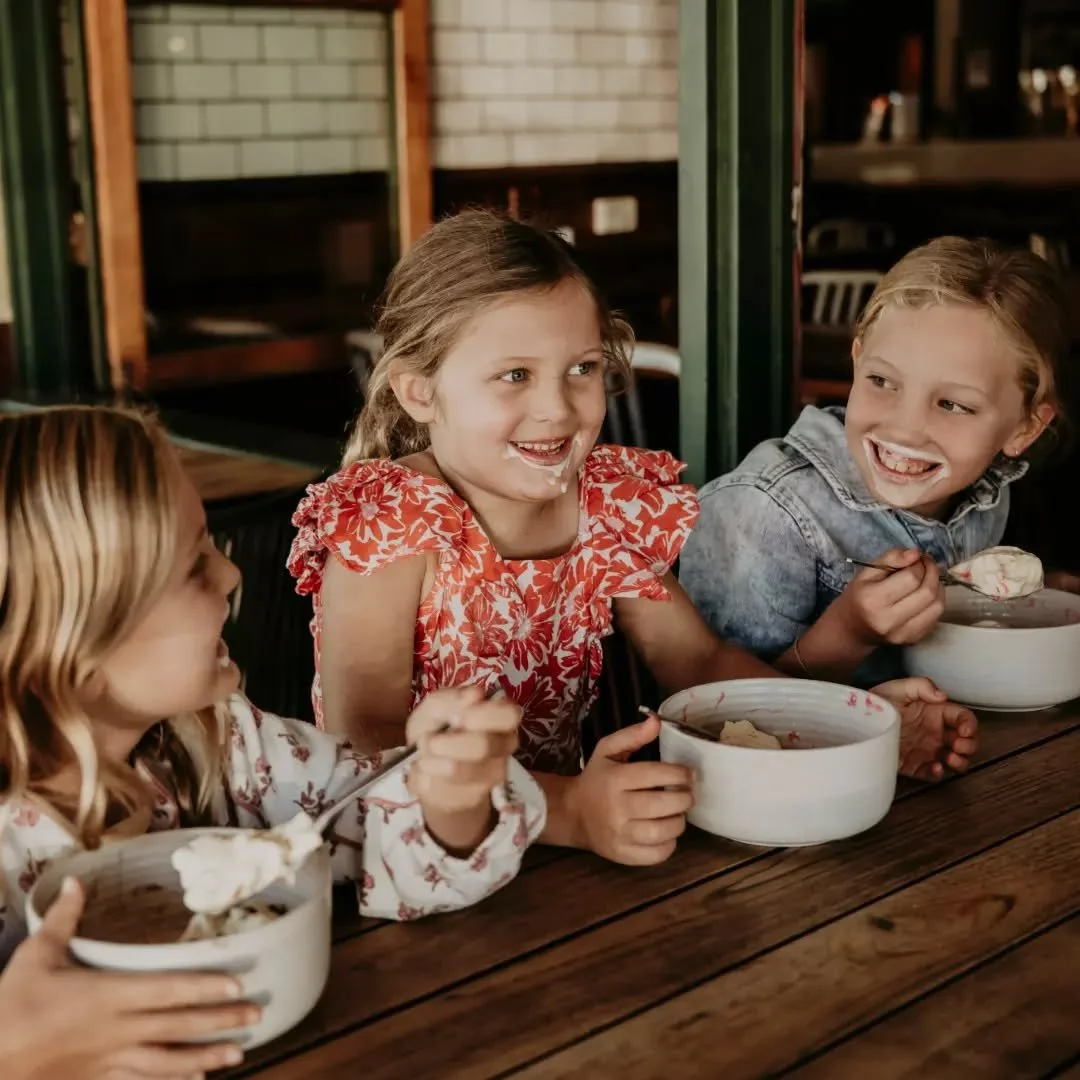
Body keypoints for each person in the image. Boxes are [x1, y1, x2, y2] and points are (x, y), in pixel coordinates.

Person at [289, 212, 975, 872]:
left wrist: (853, 727)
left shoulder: (602, 504)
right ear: (418, 392)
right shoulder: (391, 521)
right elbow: (366, 747)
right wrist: (567, 811)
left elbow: (699, 662)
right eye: (514, 375)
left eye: (582, 369)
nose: (558, 407)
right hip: (404, 866)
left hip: (555, 854)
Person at [0, 405, 544, 1079]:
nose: (230, 576)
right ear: (73, 651)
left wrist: (449, 797)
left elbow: (379, 825)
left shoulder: (222, 745)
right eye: (192, 568)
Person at [681, 236, 1070, 690]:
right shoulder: (758, 514)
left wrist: (1028, 596)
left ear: (1025, 429)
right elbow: (719, 712)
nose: (905, 428)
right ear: (857, 361)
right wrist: (850, 631)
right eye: (882, 380)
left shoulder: (985, 493)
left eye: (953, 405)